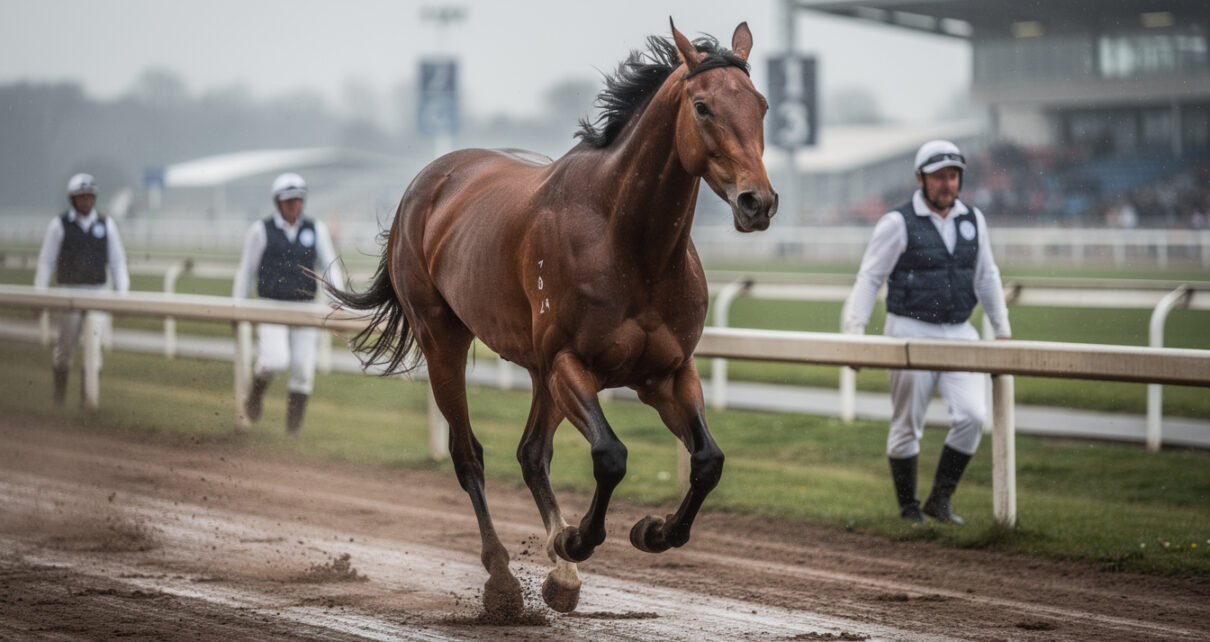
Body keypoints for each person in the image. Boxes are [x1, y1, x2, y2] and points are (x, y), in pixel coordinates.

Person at [843, 140, 1011, 525]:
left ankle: (940, 499)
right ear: (920, 179)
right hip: (908, 333)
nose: (947, 184)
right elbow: (870, 278)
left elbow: (987, 277)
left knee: (972, 416)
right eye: (939, 177)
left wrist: (1002, 331)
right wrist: (855, 334)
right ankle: (908, 510)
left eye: (953, 176)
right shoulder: (897, 222)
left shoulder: (974, 220)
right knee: (907, 426)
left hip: (960, 333)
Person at [233, 172, 344, 434]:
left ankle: (292, 432)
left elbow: (329, 267)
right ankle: (256, 392)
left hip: (305, 307)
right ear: (278, 202)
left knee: (303, 370)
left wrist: (337, 300)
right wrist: (237, 305)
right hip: (271, 306)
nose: (294, 205)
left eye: (298, 199)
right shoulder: (260, 231)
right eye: (288, 200)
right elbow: (246, 270)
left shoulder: (315, 229)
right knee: (275, 360)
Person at [34, 173, 131, 406]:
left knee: (94, 349)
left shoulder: (106, 224)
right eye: (81, 197)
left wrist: (123, 294)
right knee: (65, 348)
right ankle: (59, 399)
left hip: (98, 293)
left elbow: (117, 260)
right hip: (68, 294)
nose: (85, 201)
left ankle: (87, 403)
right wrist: (39, 294)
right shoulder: (59, 225)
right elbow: (46, 261)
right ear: (72, 199)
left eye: (89, 196)